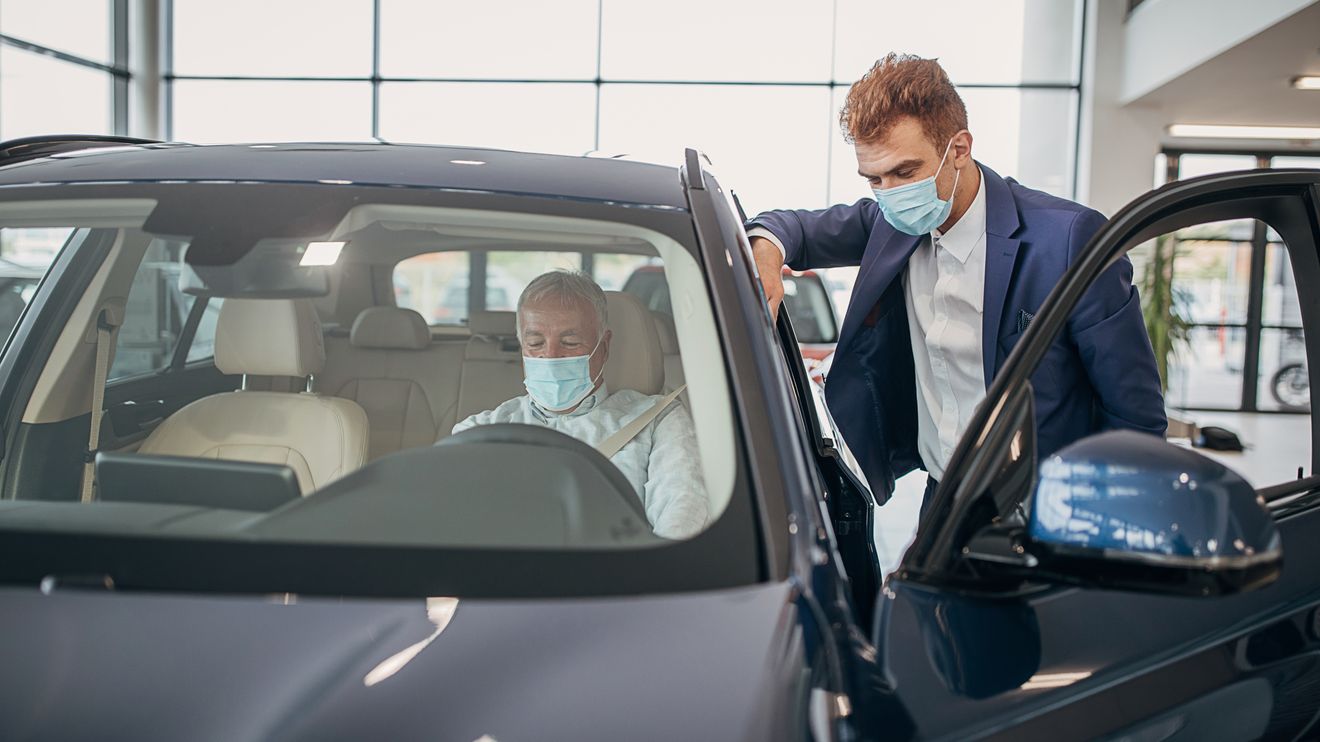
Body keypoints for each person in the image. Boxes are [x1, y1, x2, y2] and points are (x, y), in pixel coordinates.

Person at [746, 53, 1167, 513]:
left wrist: (1099, 523)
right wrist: (765, 254)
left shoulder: (1069, 240)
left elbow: (1134, 413)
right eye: (874, 179)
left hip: (1047, 508)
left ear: (960, 149)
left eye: (905, 173)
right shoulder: (890, 223)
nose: (890, 193)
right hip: (942, 499)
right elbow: (792, 227)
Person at [452, 270, 709, 539]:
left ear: (604, 347)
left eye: (570, 342)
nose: (550, 356)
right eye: (535, 343)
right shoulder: (479, 431)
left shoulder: (659, 422)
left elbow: (682, 518)